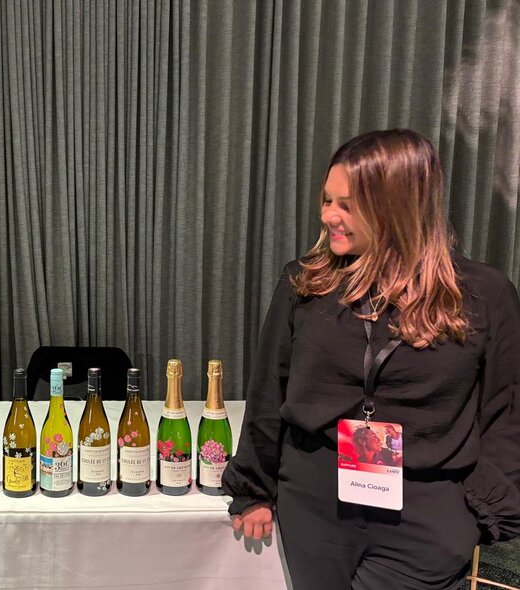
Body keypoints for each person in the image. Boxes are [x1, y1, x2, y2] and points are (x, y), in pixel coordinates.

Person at [222, 129, 520, 589]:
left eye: (347, 205)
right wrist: (253, 489)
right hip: (316, 504)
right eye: (327, 200)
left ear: (398, 207)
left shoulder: (484, 295)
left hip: (425, 513)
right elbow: (268, 391)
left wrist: (479, 508)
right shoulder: (305, 283)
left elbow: (506, 411)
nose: (329, 216)